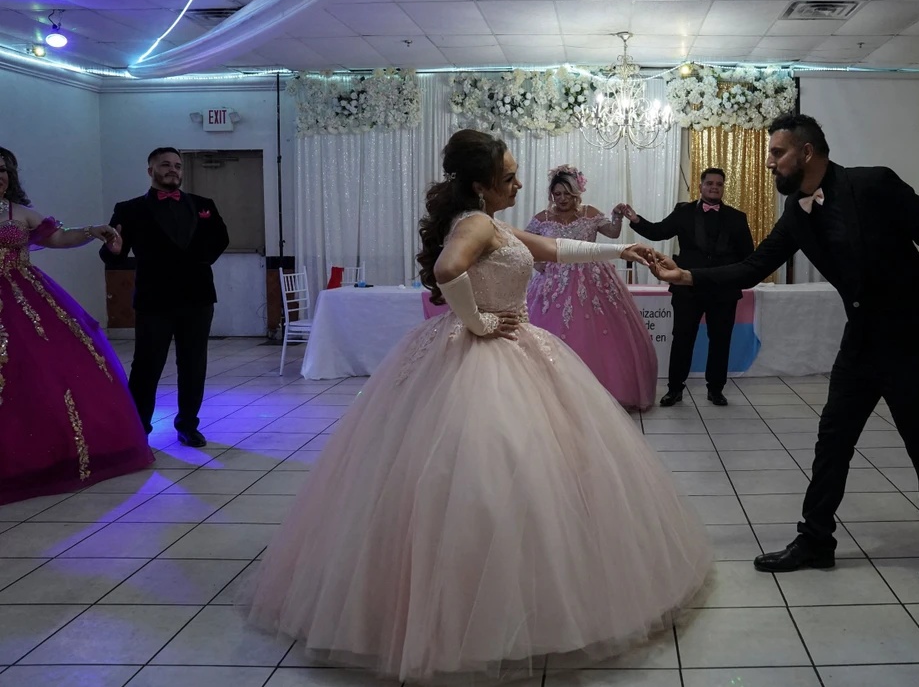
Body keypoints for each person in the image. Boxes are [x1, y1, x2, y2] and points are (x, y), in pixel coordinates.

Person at [240, 130, 711, 683]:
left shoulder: (491, 221)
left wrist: (621, 248)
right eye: (508, 176)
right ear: (482, 184)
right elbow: (447, 271)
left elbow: (556, 248)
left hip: (511, 343)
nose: (517, 182)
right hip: (483, 351)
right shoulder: (475, 223)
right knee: (484, 467)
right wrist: (477, 321)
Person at [649, 114, 919, 583]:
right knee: (833, 440)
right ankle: (816, 540)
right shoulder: (797, 213)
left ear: (806, 152)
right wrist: (686, 276)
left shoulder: (874, 184)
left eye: (777, 154)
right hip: (860, 340)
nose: (769, 164)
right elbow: (754, 265)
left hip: (911, 341)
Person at [0, 147, 153, 505]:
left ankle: (44, 455)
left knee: (38, 371)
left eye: (5, 170)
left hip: (22, 297)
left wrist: (91, 231)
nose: (1, 177)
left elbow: (58, 237)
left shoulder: (19, 214)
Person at [99, 147, 229, 448]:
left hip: (198, 296)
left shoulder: (202, 204)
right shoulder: (129, 209)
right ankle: (138, 427)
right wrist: (113, 250)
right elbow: (114, 252)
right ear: (151, 171)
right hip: (154, 298)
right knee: (147, 365)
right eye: (166, 165)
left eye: (177, 165)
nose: (173, 169)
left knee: (194, 363)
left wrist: (200, 260)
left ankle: (187, 425)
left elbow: (221, 238)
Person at [525, 165, 658, 411]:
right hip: (553, 283)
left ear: (577, 193)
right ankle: (553, 394)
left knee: (599, 334)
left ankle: (603, 394)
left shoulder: (590, 213)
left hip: (593, 278)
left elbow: (613, 232)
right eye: (557, 194)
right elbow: (524, 245)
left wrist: (617, 215)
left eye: (567, 193)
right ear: (551, 195)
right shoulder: (542, 218)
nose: (562, 199)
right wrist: (539, 264)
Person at [619, 168, 754, 407]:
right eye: (710, 183)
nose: (714, 187)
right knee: (682, 339)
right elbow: (658, 231)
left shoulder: (737, 217)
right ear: (701, 186)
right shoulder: (683, 212)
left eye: (719, 184)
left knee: (721, 341)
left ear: (723, 188)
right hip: (687, 288)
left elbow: (747, 256)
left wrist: (737, 280)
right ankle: (674, 389)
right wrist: (635, 219)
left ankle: (716, 389)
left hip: (723, 290)